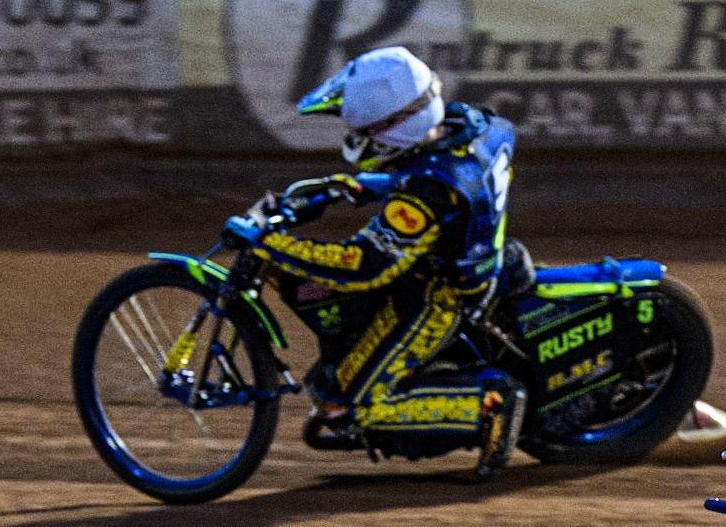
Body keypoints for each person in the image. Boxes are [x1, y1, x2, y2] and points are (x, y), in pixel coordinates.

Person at [222, 46, 524, 476]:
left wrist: (268, 244)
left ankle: (488, 404)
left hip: (436, 296)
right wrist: (367, 186)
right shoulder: (475, 126)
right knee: (336, 390)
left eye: (366, 130)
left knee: (346, 410)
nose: (359, 139)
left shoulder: (423, 196)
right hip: (470, 257)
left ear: (394, 127)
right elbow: (443, 176)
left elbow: (362, 265)